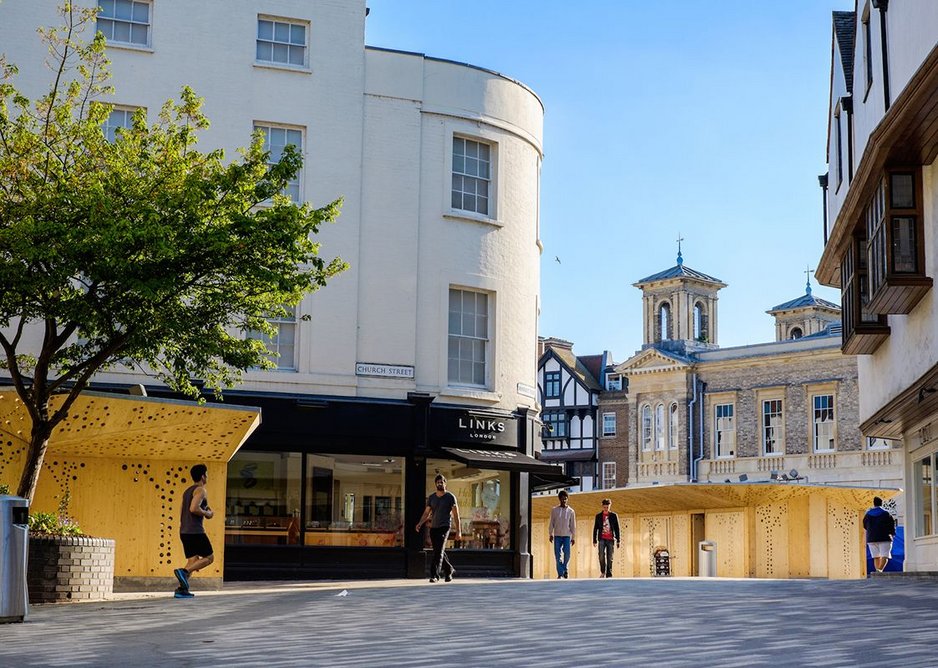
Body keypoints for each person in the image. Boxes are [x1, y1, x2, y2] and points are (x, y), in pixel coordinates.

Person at [173, 464, 215, 598]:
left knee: (193, 561)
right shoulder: (201, 490)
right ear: (203, 476)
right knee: (209, 558)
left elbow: (182, 511)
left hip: (184, 531)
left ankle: (181, 590)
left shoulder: (187, 491)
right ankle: (184, 572)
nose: (207, 476)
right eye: (206, 474)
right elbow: (193, 508)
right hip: (195, 531)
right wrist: (207, 514)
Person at [416, 474, 461, 583]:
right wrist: (420, 523)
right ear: (435, 484)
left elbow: (456, 515)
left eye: (442, 482)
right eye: (438, 482)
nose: (440, 484)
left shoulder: (450, 497)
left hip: (444, 527)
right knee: (438, 551)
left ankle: (435, 575)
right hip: (433, 527)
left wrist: (458, 531)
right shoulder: (432, 498)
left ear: (445, 483)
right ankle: (449, 569)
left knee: (439, 551)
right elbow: (427, 513)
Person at [863, 496, 896, 573]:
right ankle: (880, 570)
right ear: (881, 503)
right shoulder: (886, 514)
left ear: (873, 504)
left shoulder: (868, 515)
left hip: (871, 538)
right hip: (884, 537)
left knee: (876, 557)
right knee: (885, 555)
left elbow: (864, 525)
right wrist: (892, 533)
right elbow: (891, 525)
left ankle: (877, 571)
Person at [548, 490, 576, 579]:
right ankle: (560, 573)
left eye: (565, 499)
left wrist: (573, 537)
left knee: (567, 554)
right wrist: (550, 534)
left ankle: (565, 569)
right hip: (557, 536)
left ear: (567, 499)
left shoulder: (571, 511)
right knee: (557, 555)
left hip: (567, 536)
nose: (564, 501)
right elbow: (551, 522)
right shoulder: (554, 510)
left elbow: (573, 525)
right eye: (562, 499)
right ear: (559, 499)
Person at [592, 498, 621, 578]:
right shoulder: (598, 516)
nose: (606, 509)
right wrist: (594, 540)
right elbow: (595, 528)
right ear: (602, 506)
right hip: (601, 538)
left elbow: (617, 528)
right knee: (601, 555)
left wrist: (618, 540)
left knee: (610, 557)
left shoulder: (614, 516)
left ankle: (609, 574)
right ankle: (602, 572)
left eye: (607, 507)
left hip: (611, 539)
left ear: (609, 506)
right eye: (604, 507)